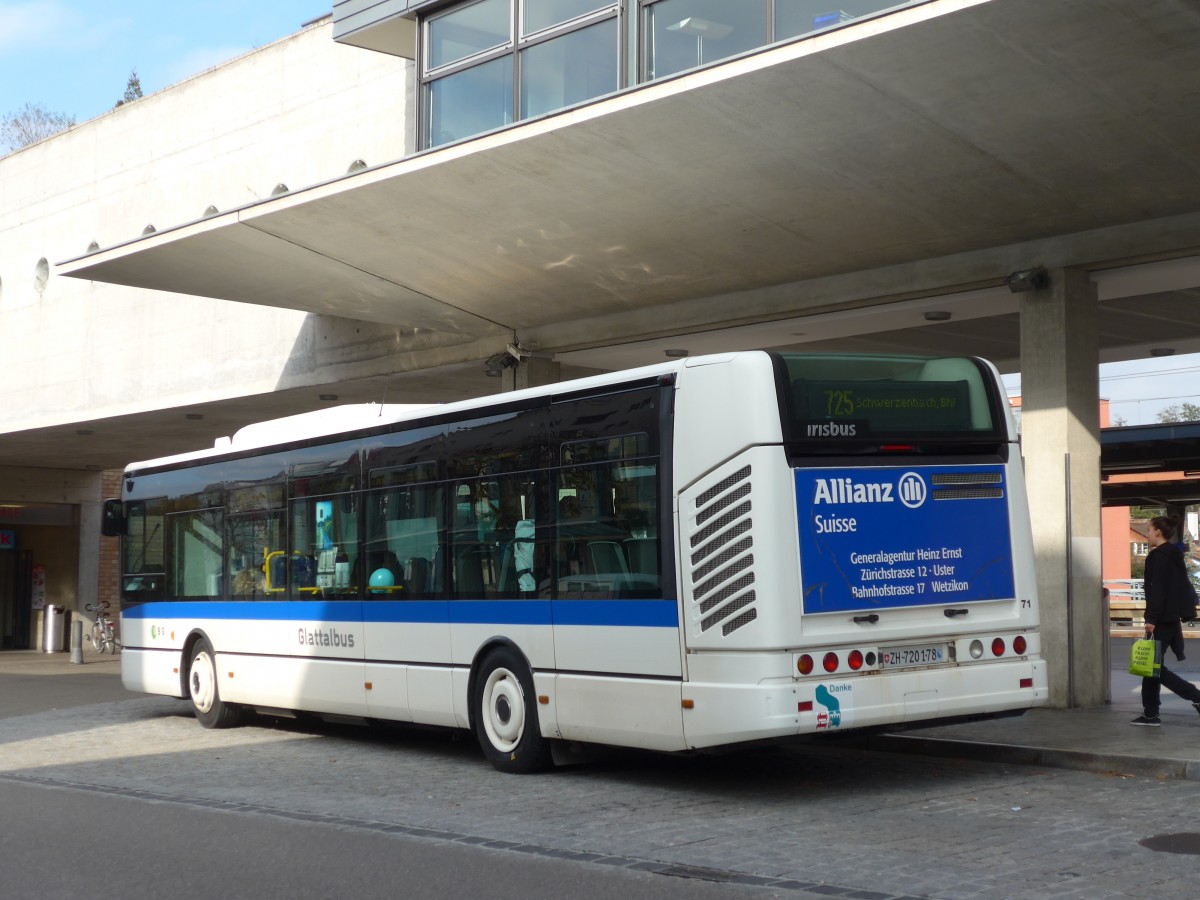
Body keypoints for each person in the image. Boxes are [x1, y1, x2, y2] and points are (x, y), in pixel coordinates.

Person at [1132, 514, 1200, 726]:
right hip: (1170, 617)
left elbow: (1158, 589)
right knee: (1151, 667)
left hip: (1161, 620)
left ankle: (1195, 697)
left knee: (1153, 668)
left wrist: (1151, 619)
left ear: (1158, 531)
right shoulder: (1172, 555)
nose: (1147, 534)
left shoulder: (1158, 556)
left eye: (1149, 530)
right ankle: (1151, 714)